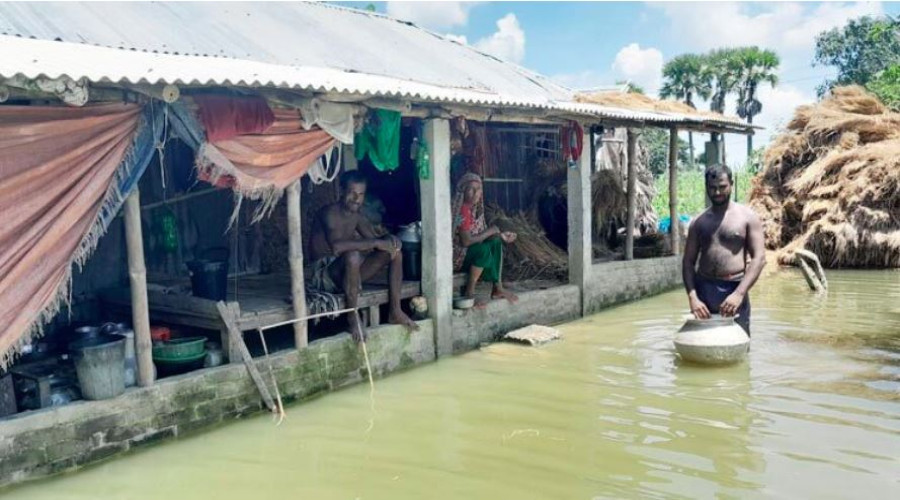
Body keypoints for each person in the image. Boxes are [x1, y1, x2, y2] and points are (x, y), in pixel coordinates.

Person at [310, 171, 418, 340]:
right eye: (352, 193)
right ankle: (352, 316)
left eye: (360, 194)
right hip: (324, 275)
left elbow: (374, 239)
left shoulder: (357, 216)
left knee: (394, 252)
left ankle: (395, 310)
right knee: (352, 255)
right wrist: (376, 243)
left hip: (347, 274)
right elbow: (337, 247)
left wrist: (388, 239)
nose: (356, 199)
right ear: (341, 191)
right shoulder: (329, 213)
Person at [682, 164, 766, 335]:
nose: (717, 192)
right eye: (712, 188)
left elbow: (759, 258)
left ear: (731, 184)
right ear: (706, 188)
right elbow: (688, 262)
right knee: (703, 342)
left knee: (739, 342)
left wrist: (739, 294)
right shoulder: (699, 222)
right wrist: (693, 297)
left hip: (734, 287)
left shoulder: (747, 217)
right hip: (704, 290)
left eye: (722, 187)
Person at [452, 172, 518, 307]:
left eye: (479, 189)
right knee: (483, 250)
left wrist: (500, 235)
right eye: (471, 189)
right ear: (463, 191)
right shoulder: (462, 210)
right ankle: (469, 293)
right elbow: (466, 241)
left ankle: (497, 288)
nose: (476, 193)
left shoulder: (476, 209)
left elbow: (482, 235)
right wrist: (491, 231)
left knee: (495, 242)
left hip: (470, 252)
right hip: (456, 256)